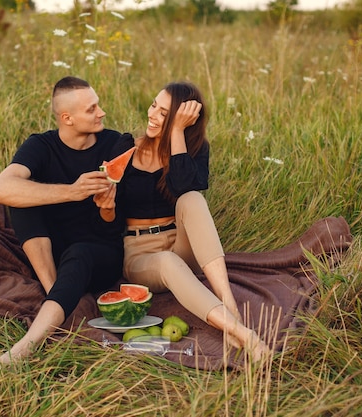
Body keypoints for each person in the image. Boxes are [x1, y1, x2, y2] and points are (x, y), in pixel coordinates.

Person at [108, 82, 270, 362]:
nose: (153, 115)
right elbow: (109, 217)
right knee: (168, 262)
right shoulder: (125, 147)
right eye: (153, 106)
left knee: (192, 199)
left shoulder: (194, 150)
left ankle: (228, 302)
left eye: (164, 113)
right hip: (141, 253)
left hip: (182, 244)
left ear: (181, 121)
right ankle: (243, 333)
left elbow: (183, 186)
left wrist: (176, 133)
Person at [0, 76, 124, 367]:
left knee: (80, 252)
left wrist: (108, 208)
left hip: (100, 254)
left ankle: (23, 350)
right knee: (20, 199)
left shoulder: (115, 144)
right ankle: (54, 293)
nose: (101, 113)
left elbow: (115, 225)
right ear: (67, 118)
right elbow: (1, 189)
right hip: (53, 254)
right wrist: (73, 191)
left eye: (98, 105)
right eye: (91, 109)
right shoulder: (41, 145)